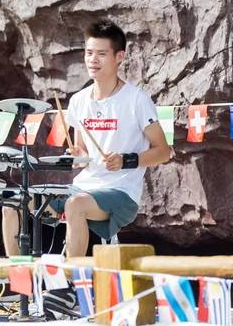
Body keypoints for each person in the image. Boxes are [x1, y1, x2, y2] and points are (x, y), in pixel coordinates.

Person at [42, 19, 172, 318]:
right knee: (18, 205)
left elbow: (163, 152)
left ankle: (72, 290)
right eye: (89, 53)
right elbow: (83, 154)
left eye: (101, 53)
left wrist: (126, 159)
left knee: (75, 205)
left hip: (120, 192)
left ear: (120, 57)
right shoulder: (77, 101)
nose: (93, 60)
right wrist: (76, 154)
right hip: (86, 185)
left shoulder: (136, 100)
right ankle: (25, 290)